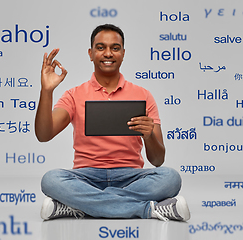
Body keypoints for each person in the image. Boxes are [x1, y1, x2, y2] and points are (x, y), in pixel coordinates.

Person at [35, 24, 190, 221]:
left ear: (123, 54)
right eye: (101, 48)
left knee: (170, 178)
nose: (108, 53)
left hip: (131, 177)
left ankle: (80, 206)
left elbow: (158, 160)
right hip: (86, 177)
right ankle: (148, 210)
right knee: (51, 180)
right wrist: (46, 91)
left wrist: (149, 135)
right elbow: (43, 134)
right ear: (91, 54)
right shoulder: (73, 95)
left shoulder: (144, 96)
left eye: (115, 48)